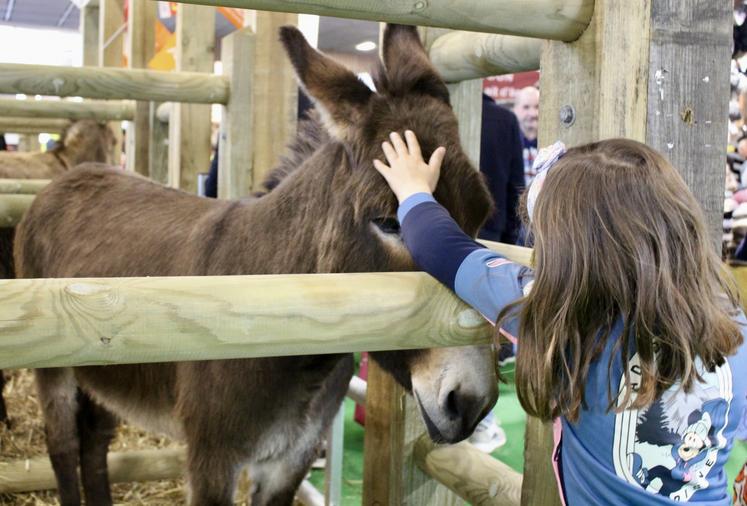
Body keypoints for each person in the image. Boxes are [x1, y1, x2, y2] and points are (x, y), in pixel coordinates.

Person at [373, 131, 747, 504]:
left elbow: (441, 248)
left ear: (572, 252)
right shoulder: (734, 323)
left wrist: (413, 191)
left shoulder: (562, 316)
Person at [512, 86, 539, 185]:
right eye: (526, 107)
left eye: (537, 107)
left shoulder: (553, 144)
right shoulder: (508, 143)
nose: (533, 113)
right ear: (515, 110)